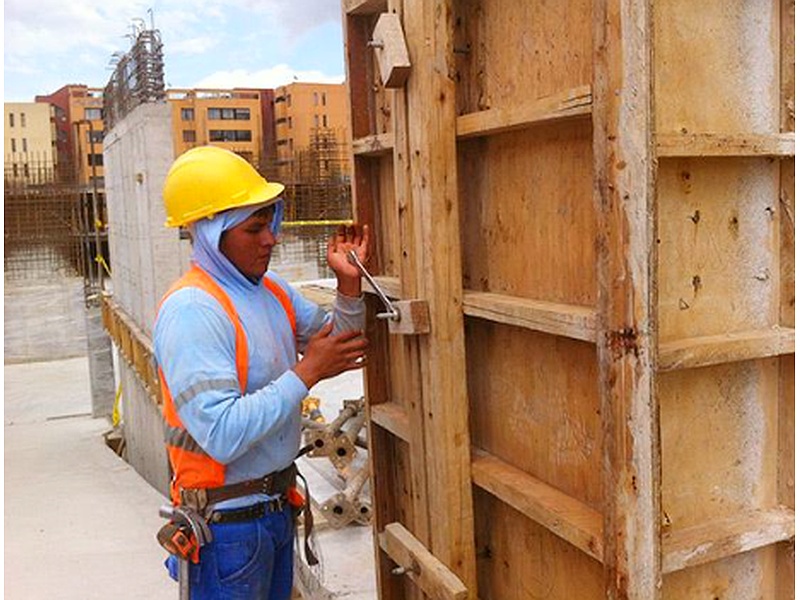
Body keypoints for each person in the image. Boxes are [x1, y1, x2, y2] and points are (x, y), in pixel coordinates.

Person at [153, 145, 369, 599]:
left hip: (271, 512)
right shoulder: (194, 311)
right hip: (225, 533)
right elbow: (223, 434)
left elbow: (343, 344)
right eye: (254, 228)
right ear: (213, 234)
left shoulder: (271, 292)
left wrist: (349, 287)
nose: (270, 238)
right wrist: (307, 371)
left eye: (271, 222)